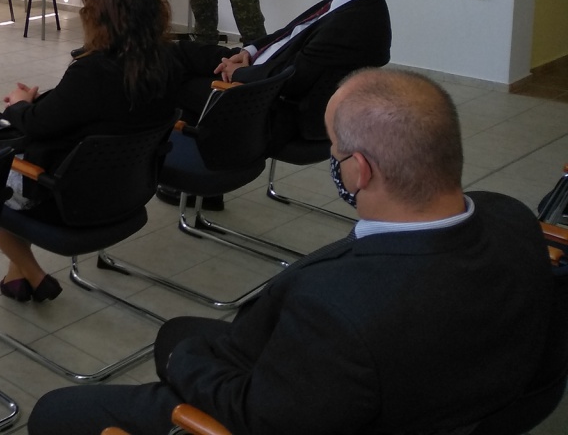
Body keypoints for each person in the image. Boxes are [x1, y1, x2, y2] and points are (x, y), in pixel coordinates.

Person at [28, 69, 560, 435]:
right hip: (444, 387)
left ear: (360, 171)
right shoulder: (513, 218)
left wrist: (182, 364)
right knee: (178, 330)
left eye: (336, 151)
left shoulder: (335, 309)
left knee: (58, 410)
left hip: (293, 394)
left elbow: (261, 418)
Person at [0, 0, 178, 302]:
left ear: (96, 14)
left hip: (72, 200)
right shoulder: (168, 61)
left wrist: (18, 104)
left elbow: (38, 124)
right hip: (130, 189)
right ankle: (16, 276)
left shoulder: (91, 73)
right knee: (19, 167)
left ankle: (33, 273)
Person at [172, 0, 397, 148]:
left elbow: (290, 79)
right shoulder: (356, 1)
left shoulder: (352, 23)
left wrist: (238, 73)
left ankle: (192, 155)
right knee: (176, 51)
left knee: (174, 79)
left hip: (273, 104)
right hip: (262, 65)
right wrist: (248, 51)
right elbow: (288, 34)